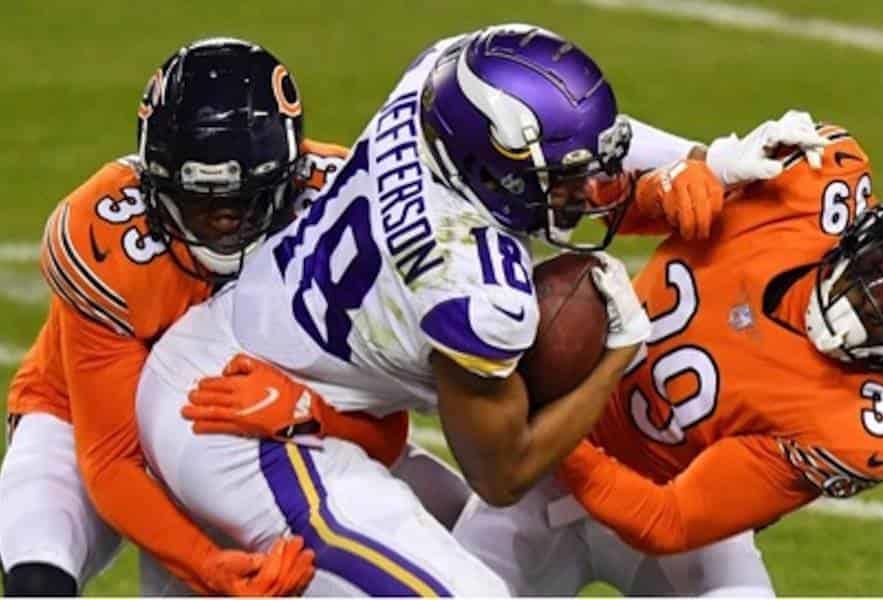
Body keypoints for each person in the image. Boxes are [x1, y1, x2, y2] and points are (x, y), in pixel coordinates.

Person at [132, 23, 830, 596]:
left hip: (265, 370)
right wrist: (617, 351)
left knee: (459, 546)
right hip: (238, 428)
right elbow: (501, 475)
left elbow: (583, 139)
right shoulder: (474, 287)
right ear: (496, 170)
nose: (588, 191)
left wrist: (706, 160)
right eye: (564, 179)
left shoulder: (438, 87)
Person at [451, 123, 883, 596]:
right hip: (540, 480)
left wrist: (547, 419)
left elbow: (667, 520)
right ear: (866, 228)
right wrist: (671, 183)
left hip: (655, 503)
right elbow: (604, 198)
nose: (879, 298)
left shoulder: (858, 428)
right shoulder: (809, 187)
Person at [0, 36, 405, 596]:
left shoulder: (342, 212)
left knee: (438, 546)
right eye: (198, 201)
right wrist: (207, 565)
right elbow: (111, 460)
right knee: (36, 579)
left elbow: (387, 427)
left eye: (241, 202)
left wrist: (309, 413)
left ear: (289, 177)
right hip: (84, 413)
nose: (220, 221)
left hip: (245, 429)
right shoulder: (103, 238)